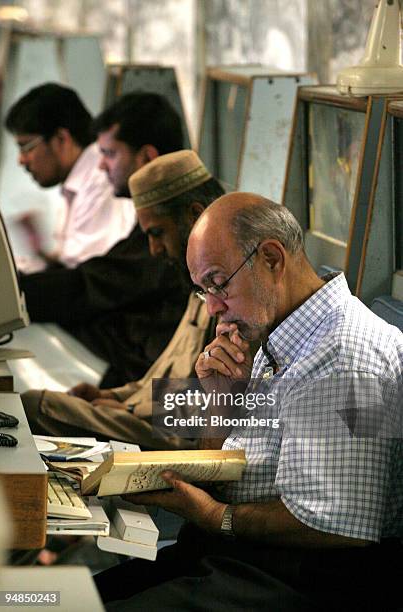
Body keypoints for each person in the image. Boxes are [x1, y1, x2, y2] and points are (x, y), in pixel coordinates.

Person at [94, 193, 403, 611]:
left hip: (302, 577)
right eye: (204, 291)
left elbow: (336, 527)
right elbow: (223, 463)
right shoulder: (275, 332)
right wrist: (221, 401)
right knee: (77, 598)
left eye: (219, 284)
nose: (214, 309)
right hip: (232, 551)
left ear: (272, 259)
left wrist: (213, 516)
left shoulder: (349, 358)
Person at [22, 150, 225, 448]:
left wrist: (130, 409)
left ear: (195, 215)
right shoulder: (198, 287)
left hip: (174, 439)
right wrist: (109, 397)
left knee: (35, 407)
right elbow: (159, 377)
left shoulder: (230, 294)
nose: (154, 250)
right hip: (149, 416)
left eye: (157, 233)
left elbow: (226, 412)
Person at [17, 92, 187, 386]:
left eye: (109, 154)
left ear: (146, 157)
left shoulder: (173, 222)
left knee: (20, 345)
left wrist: (13, 294)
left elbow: (93, 284)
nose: (100, 166)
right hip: (132, 365)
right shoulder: (161, 212)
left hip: (148, 383)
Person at [5, 83, 135, 269]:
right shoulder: (76, 185)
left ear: (61, 139)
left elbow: (85, 282)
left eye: (26, 147)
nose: (21, 160)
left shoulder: (99, 182)